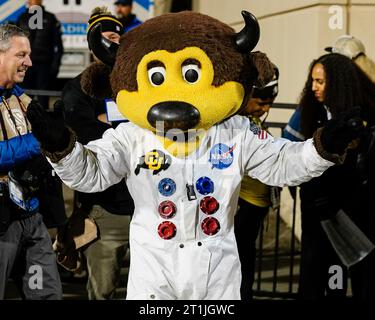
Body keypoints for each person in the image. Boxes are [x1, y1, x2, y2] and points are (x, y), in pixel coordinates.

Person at [27, 11, 362, 300]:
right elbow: (92, 171)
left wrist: (322, 147)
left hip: (217, 275)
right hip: (153, 277)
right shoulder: (132, 135)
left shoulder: (237, 132)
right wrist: (63, 148)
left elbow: (283, 164)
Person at [283, 53, 375, 299]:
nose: (313, 87)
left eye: (320, 82)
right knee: (314, 271)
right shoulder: (309, 112)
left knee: (351, 273)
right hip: (316, 208)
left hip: (353, 209)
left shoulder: (364, 114)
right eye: (312, 80)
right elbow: (290, 151)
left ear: (337, 83)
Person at [58, 7, 134, 300]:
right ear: (93, 43)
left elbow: (157, 128)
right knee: (102, 292)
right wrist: (127, 129)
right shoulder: (77, 89)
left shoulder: (137, 85)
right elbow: (82, 133)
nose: (114, 43)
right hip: (105, 211)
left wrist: (108, 124)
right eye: (107, 37)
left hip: (148, 206)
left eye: (118, 37)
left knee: (150, 292)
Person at [0, 24, 63, 300]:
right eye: (21, 54)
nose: (29, 62)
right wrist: (39, 141)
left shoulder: (21, 97)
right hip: (2, 222)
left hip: (31, 214)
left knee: (46, 294)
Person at [234, 65, 280, 299]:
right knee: (238, 264)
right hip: (240, 204)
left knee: (246, 260)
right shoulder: (235, 123)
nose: (265, 109)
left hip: (255, 205)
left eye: (269, 104)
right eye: (261, 103)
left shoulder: (252, 122)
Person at [16, 0, 63, 108]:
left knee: (43, 99)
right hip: (25, 65)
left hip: (44, 65)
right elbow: (15, 45)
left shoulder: (50, 18)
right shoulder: (22, 18)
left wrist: (55, 66)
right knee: (24, 100)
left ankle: (44, 122)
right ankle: (24, 123)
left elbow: (58, 46)